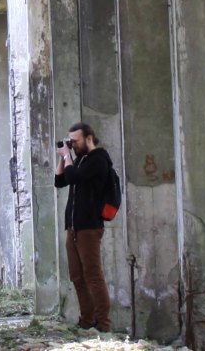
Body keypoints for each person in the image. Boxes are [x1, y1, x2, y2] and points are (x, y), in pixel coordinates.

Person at [54, 122, 113, 332]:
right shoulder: (78, 160)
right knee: (77, 276)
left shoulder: (98, 160)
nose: (73, 145)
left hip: (89, 227)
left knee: (93, 275)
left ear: (89, 138)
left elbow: (75, 177)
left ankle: (104, 324)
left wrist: (68, 158)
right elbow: (60, 181)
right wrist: (64, 156)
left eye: (75, 141)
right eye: (71, 141)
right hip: (73, 227)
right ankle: (86, 320)